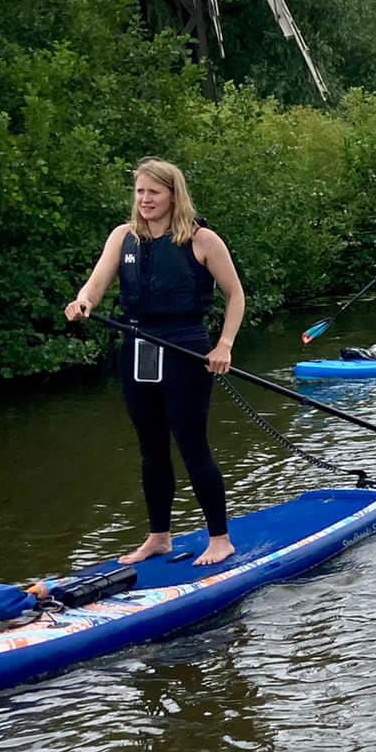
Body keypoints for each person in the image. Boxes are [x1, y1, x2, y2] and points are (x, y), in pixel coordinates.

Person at [66, 159, 245, 568]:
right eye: (140, 192)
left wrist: (225, 345)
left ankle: (220, 539)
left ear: (172, 195)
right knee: (151, 449)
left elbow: (236, 295)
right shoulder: (123, 236)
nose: (145, 200)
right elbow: (94, 285)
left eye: (154, 192)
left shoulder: (202, 240)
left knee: (191, 443)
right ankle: (159, 537)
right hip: (138, 345)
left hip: (185, 347)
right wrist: (84, 303)